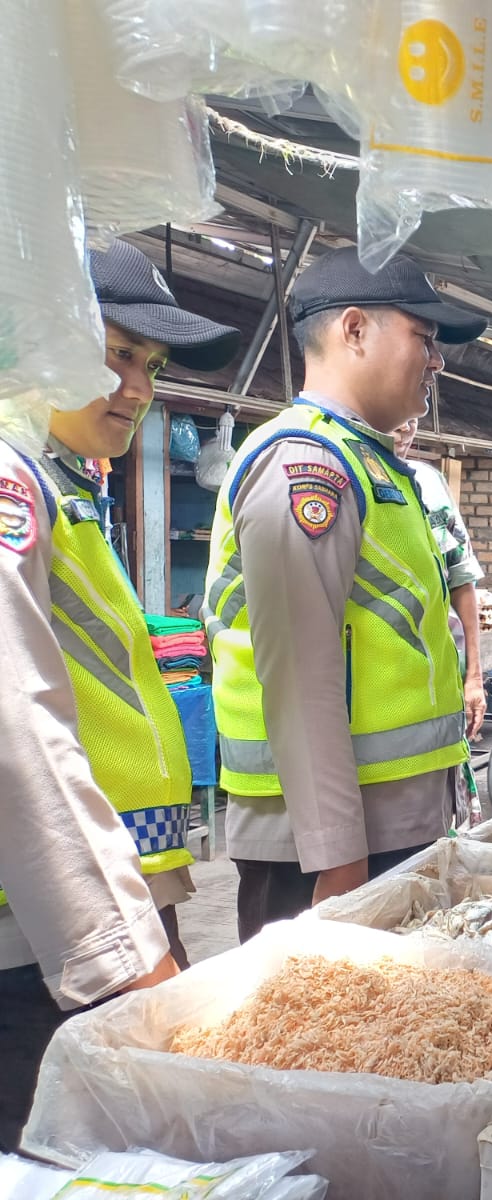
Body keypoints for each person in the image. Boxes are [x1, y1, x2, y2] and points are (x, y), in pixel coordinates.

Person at [0, 240, 239, 1148]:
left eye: (151, 365)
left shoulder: (61, 486)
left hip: (92, 912)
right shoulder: (11, 480)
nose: (137, 388)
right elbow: (17, 727)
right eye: (115, 354)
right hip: (47, 943)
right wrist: (126, 957)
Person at [204, 247, 485, 941]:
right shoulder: (309, 461)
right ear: (354, 330)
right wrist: (338, 857)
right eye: (424, 337)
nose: (437, 360)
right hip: (326, 842)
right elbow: (300, 672)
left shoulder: (367, 459)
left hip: (379, 821)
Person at [392, 418, 486, 741]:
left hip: (445, 684)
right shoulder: (345, 475)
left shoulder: (430, 482)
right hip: (385, 694)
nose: (405, 427)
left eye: (414, 417)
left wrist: (474, 677)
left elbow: (462, 579)